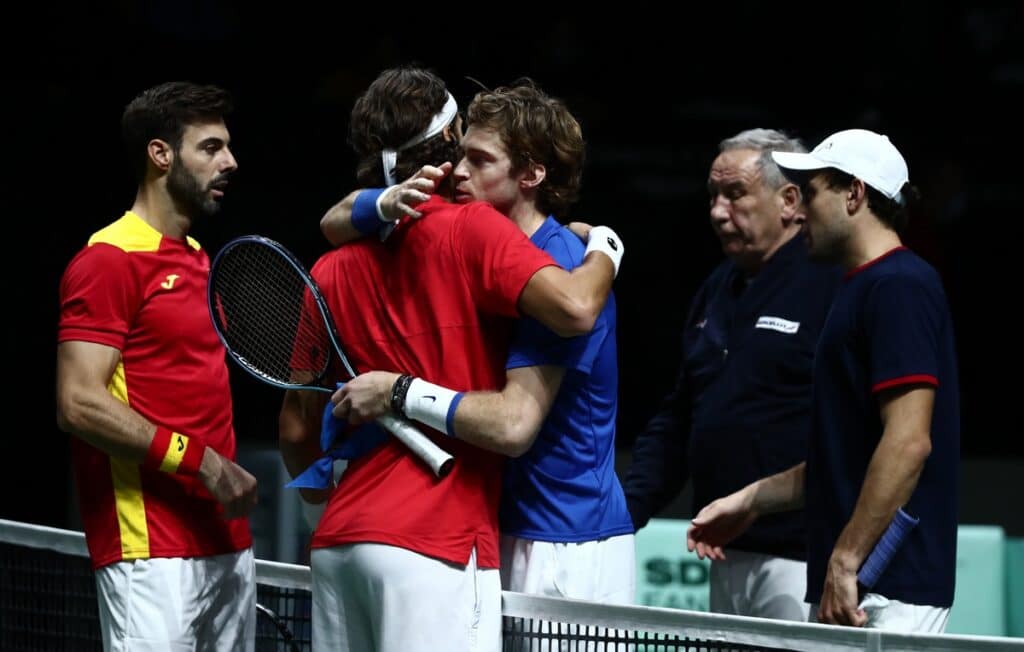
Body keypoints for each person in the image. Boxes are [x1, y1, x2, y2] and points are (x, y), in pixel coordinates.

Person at [278, 66, 623, 652]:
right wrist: (609, 248)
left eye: (480, 160)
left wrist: (329, 510)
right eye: (460, 153)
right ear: (440, 148)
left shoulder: (329, 265)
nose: (463, 173)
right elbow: (565, 323)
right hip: (443, 539)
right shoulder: (474, 234)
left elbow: (293, 429)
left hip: (545, 538)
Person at [687, 128, 959, 633]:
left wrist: (847, 558)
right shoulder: (857, 290)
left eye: (811, 192)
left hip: (887, 587)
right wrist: (750, 501)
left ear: (854, 194)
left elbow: (908, 442)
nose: (801, 209)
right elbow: (847, 457)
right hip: (856, 587)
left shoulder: (900, 286)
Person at [55, 81, 258, 651]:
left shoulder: (200, 261)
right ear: (160, 154)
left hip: (226, 542)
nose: (230, 162)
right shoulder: (108, 260)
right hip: (151, 550)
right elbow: (77, 403)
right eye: (211, 147)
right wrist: (204, 464)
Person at [622, 129, 841, 621]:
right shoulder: (717, 288)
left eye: (736, 194)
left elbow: (854, 429)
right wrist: (622, 515)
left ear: (790, 201)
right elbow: (682, 415)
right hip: (725, 554)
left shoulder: (833, 282)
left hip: (807, 559)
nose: (718, 211)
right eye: (714, 196)